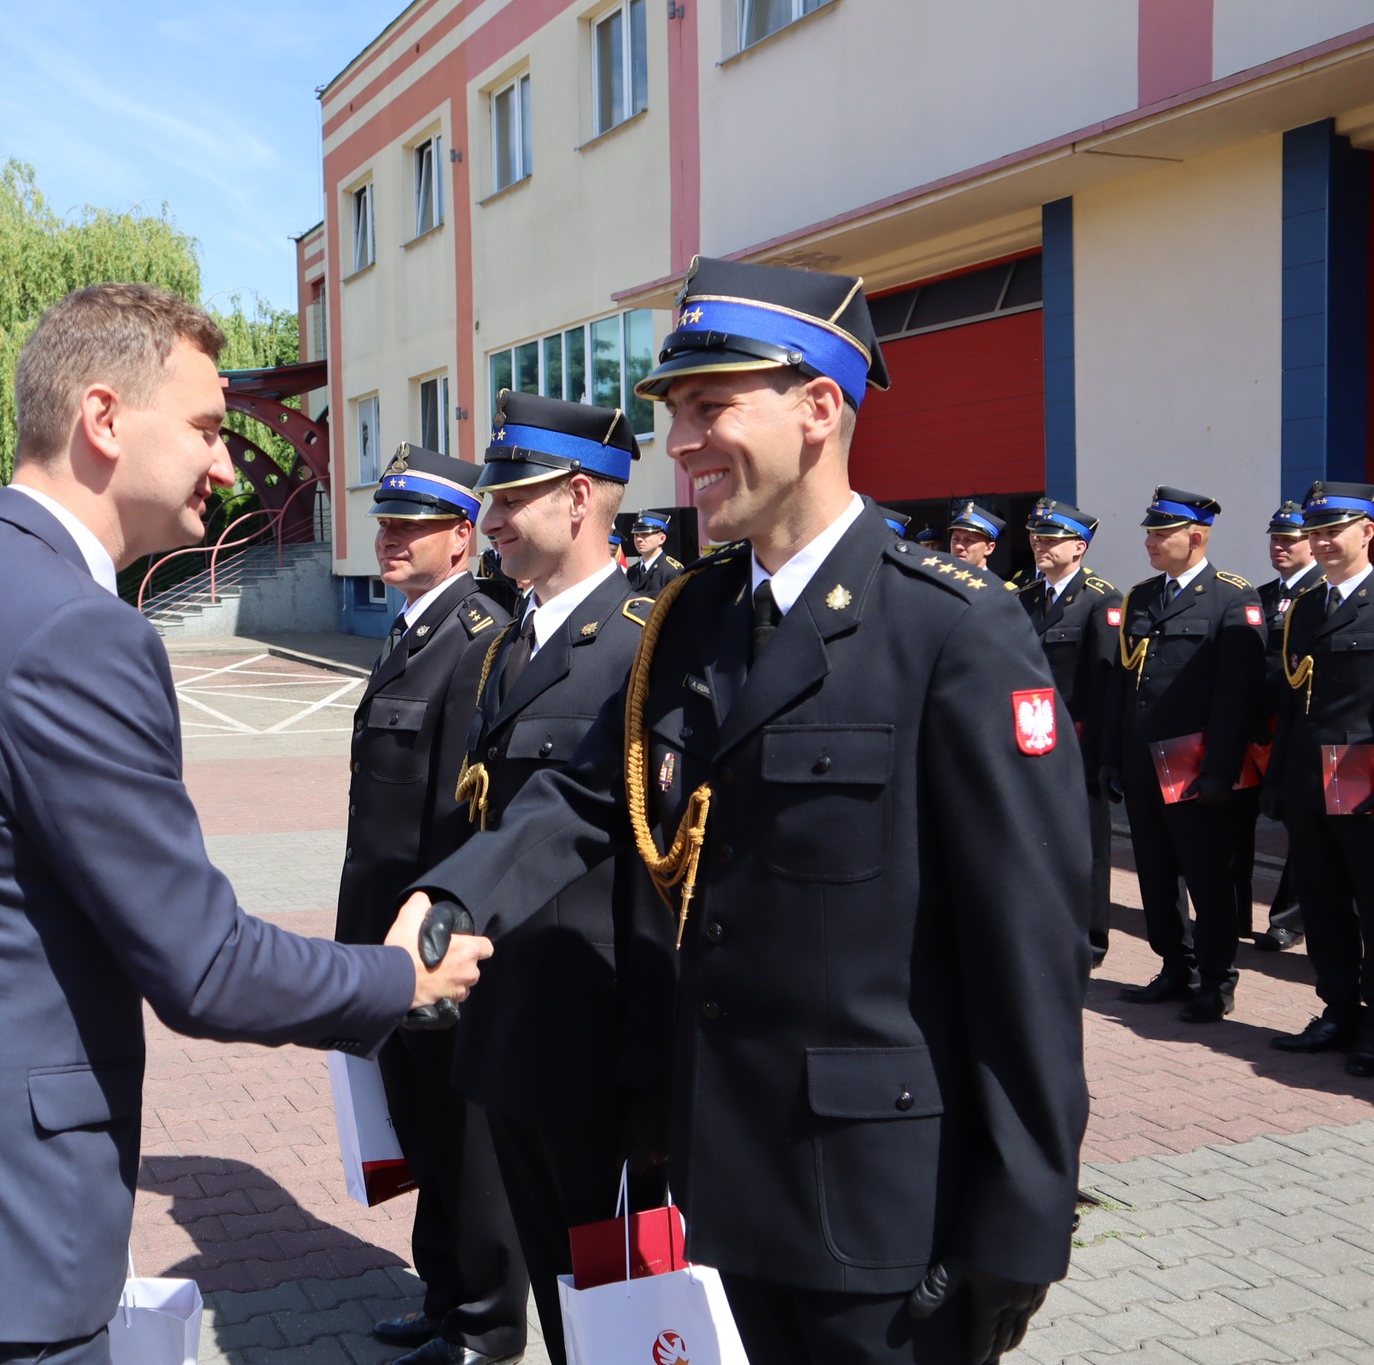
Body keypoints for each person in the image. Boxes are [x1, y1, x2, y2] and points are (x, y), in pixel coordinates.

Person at [402, 257, 1091, 1365]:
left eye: (708, 405)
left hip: (879, 1206)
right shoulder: (692, 616)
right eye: (673, 411)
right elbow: (588, 792)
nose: (678, 442)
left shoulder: (950, 631)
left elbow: (1029, 945)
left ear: (819, 406)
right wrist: (451, 894)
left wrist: (1022, 1216)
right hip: (724, 1171)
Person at [0, 283, 492, 1365]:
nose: (223, 464)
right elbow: (201, 967)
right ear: (104, 421)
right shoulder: (75, 631)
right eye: (208, 429)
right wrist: (401, 982)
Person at [448, 390, 665, 1365]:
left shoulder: (645, 642)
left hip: (599, 1063)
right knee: (560, 1303)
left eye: (509, 497)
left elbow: (662, 882)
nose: (486, 518)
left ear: (579, 499)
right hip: (510, 1038)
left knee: (625, 1319)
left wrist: (653, 1086)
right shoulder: (510, 641)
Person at [340, 445, 525, 1365]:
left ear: (462, 537)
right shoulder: (413, 630)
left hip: (432, 944)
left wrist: (433, 943)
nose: (390, 539)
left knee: (462, 1140)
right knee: (418, 1125)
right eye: (386, 522)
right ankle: (444, 1292)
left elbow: (461, 818)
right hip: (386, 939)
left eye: (411, 525)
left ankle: (486, 1325)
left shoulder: (479, 638)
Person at [1104, 487, 1264, 1023]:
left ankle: (1216, 980)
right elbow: (1127, 687)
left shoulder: (1230, 598)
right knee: (1155, 873)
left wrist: (1221, 768)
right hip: (1146, 763)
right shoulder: (1141, 597)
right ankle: (1175, 965)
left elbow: (1236, 696)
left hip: (1196, 767)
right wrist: (1115, 756)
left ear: (1194, 537)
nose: (1148, 541)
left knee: (1208, 878)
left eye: (1159, 533)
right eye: (1149, 532)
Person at [1262, 480, 1374, 1073]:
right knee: (1324, 903)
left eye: (1335, 529)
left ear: (1368, 532)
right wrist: (1279, 778)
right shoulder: (1305, 606)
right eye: (1318, 531)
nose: (1323, 541)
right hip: (1311, 780)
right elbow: (1292, 699)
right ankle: (1337, 1010)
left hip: (1366, 779)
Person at [1019, 498, 1120, 968]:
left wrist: (1101, 755)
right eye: (1037, 535)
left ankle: (1091, 937)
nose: (1040, 542)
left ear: (1078, 547)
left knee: (1089, 847)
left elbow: (1106, 685)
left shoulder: (1102, 599)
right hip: (1029, 743)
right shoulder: (1026, 598)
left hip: (1079, 747)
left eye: (1051, 537)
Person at [1251, 501, 1319, 952]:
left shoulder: (1321, 592)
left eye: (1289, 539)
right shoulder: (1259, 594)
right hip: (1259, 729)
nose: (1279, 546)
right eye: (1275, 538)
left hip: (1297, 727)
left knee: (1302, 826)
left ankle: (1290, 918)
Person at [624, 511, 684, 595]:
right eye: (636, 535)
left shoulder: (672, 571)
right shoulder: (631, 572)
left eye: (645, 534)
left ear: (661, 539)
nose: (638, 539)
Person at [947, 500, 1002, 571]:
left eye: (969, 540)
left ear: (989, 548)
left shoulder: (994, 582)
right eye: (956, 539)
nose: (958, 546)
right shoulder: (937, 581)